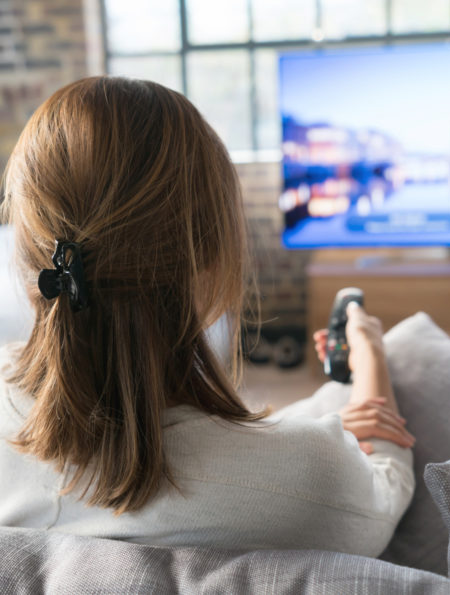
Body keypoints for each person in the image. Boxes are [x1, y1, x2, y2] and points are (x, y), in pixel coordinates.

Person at [0, 76, 414, 557]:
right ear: (212, 259)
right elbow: (382, 498)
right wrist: (372, 359)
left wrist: (320, 417)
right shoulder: (305, 475)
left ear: (31, 256)